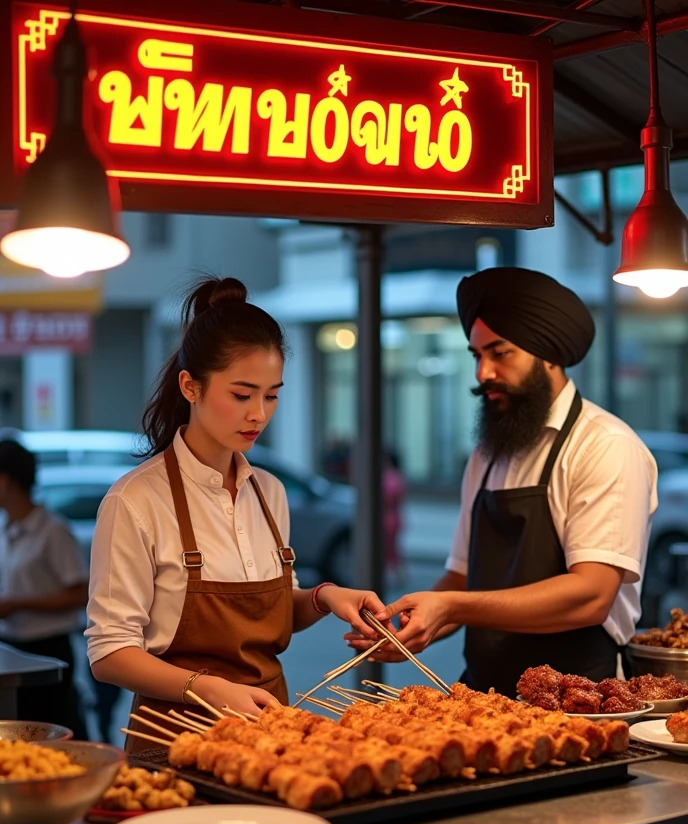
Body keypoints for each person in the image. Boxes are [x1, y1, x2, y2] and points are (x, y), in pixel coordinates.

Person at [86, 276, 386, 748]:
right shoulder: (135, 500)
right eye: (242, 395)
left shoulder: (269, 492)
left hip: (270, 739)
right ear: (190, 386)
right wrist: (207, 689)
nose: (259, 415)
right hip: (175, 743)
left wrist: (326, 597)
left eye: (271, 395)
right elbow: (109, 654)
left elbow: (274, 610)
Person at [347, 267, 658, 696]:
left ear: (548, 353)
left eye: (500, 353)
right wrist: (412, 627)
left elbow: (591, 594)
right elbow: (460, 577)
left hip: (582, 699)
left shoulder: (605, 446)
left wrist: (451, 607)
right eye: (477, 356)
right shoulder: (487, 453)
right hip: (486, 695)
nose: (483, 373)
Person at [0, 439, 89, 736]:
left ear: (5, 481)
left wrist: (18, 604)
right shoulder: (7, 528)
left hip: (48, 649)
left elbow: (80, 592)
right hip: (12, 647)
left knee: (50, 733)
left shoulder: (52, 530)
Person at [383, 450, 406, 584]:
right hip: (396, 516)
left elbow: (388, 497)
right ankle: (399, 575)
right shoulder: (398, 477)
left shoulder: (389, 478)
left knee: (389, 549)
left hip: (388, 517)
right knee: (395, 549)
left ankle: (396, 575)